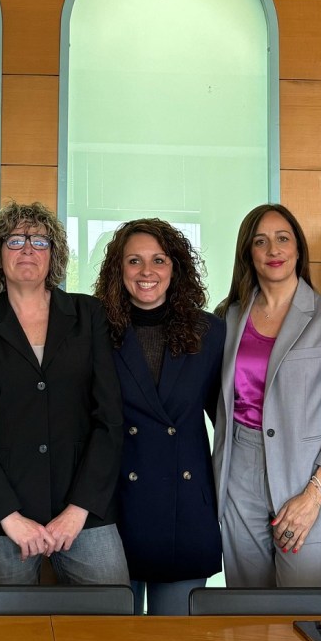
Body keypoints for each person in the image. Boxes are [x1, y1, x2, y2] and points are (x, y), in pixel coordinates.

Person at [0, 201, 129, 586]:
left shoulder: (88, 314)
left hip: (83, 506)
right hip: (3, 511)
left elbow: (109, 418)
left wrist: (79, 509)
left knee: (112, 611)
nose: (27, 249)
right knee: (12, 621)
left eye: (39, 241)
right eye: (15, 241)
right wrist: (8, 516)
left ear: (54, 254)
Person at [212, 203, 321, 587]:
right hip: (239, 472)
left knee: (300, 607)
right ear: (248, 252)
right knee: (246, 607)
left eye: (283, 238)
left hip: (311, 476)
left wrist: (314, 495)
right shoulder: (226, 318)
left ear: (299, 248)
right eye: (260, 241)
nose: (273, 250)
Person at [94, 219, 226, 614]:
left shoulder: (210, 332)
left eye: (158, 260)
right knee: (115, 635)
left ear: (175, 267)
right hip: (115, 507)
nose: (146, 272)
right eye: (134, 261)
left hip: (185, 508)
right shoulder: (95, 331)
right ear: (118, 269)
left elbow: (227, 420)